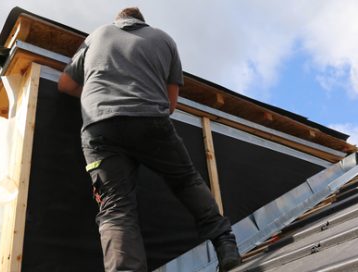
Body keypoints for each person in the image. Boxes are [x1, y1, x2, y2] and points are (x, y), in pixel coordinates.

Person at [58, 7, 241, 272]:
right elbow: (170, 104)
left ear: (118, 21)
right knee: (185, 180)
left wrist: (103, 96)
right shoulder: (164, 40)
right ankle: (225, 244)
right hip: (150, 122)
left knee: (115, 207)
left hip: (100, 128)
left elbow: (65, 84)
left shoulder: (96, 36)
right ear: (143, 23)